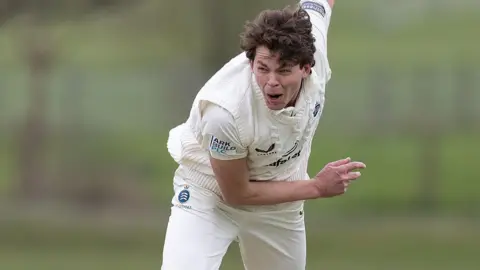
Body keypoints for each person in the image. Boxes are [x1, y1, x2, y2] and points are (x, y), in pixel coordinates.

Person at [162, 0, 366, 269]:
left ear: (307, 67)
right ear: (251, 62)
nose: (271, 81)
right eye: (262, 68)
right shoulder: (225, 112)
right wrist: (316, 187)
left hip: (280, 198)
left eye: (283, 71)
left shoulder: (315, 51)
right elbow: (237, 193)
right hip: (210, 195)